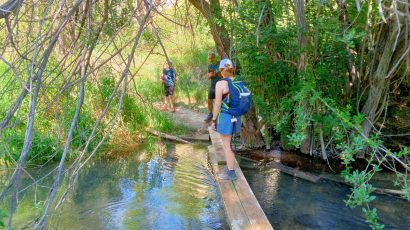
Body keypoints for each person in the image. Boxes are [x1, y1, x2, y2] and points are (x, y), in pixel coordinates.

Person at [211, 59, 240, 180]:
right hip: (236, 117)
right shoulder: (238, 81)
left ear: (221, 70)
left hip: (225, 117)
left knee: (227, 146)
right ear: (231, 69)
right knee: (230, 145)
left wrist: (213, 119)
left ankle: (231, 172)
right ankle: (229, 168)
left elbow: (217, 104)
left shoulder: (220, 84)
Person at [204, 52, 221, 121]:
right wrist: (210, 76)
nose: (210, 60)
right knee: (209, 101)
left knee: (218, 102)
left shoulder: (219, 64)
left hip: (220, 85)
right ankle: (210, 114)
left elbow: (222, 75)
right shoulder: (210, 66)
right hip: (213, 85)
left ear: (214, 58)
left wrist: (215, 74)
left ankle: (217, 116)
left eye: (211, 58)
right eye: (209, 59)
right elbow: (208, 77)